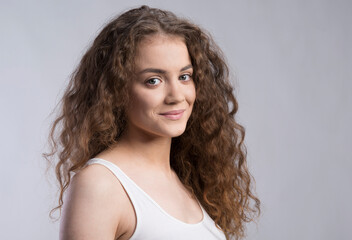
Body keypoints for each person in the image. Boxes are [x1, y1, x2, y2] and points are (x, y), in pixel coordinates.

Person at [44, 5, 260, 240]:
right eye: (153, 81)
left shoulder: (188, 181)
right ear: (116, 90)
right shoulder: (100, 185)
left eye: (184, 76)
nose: (177, 96)